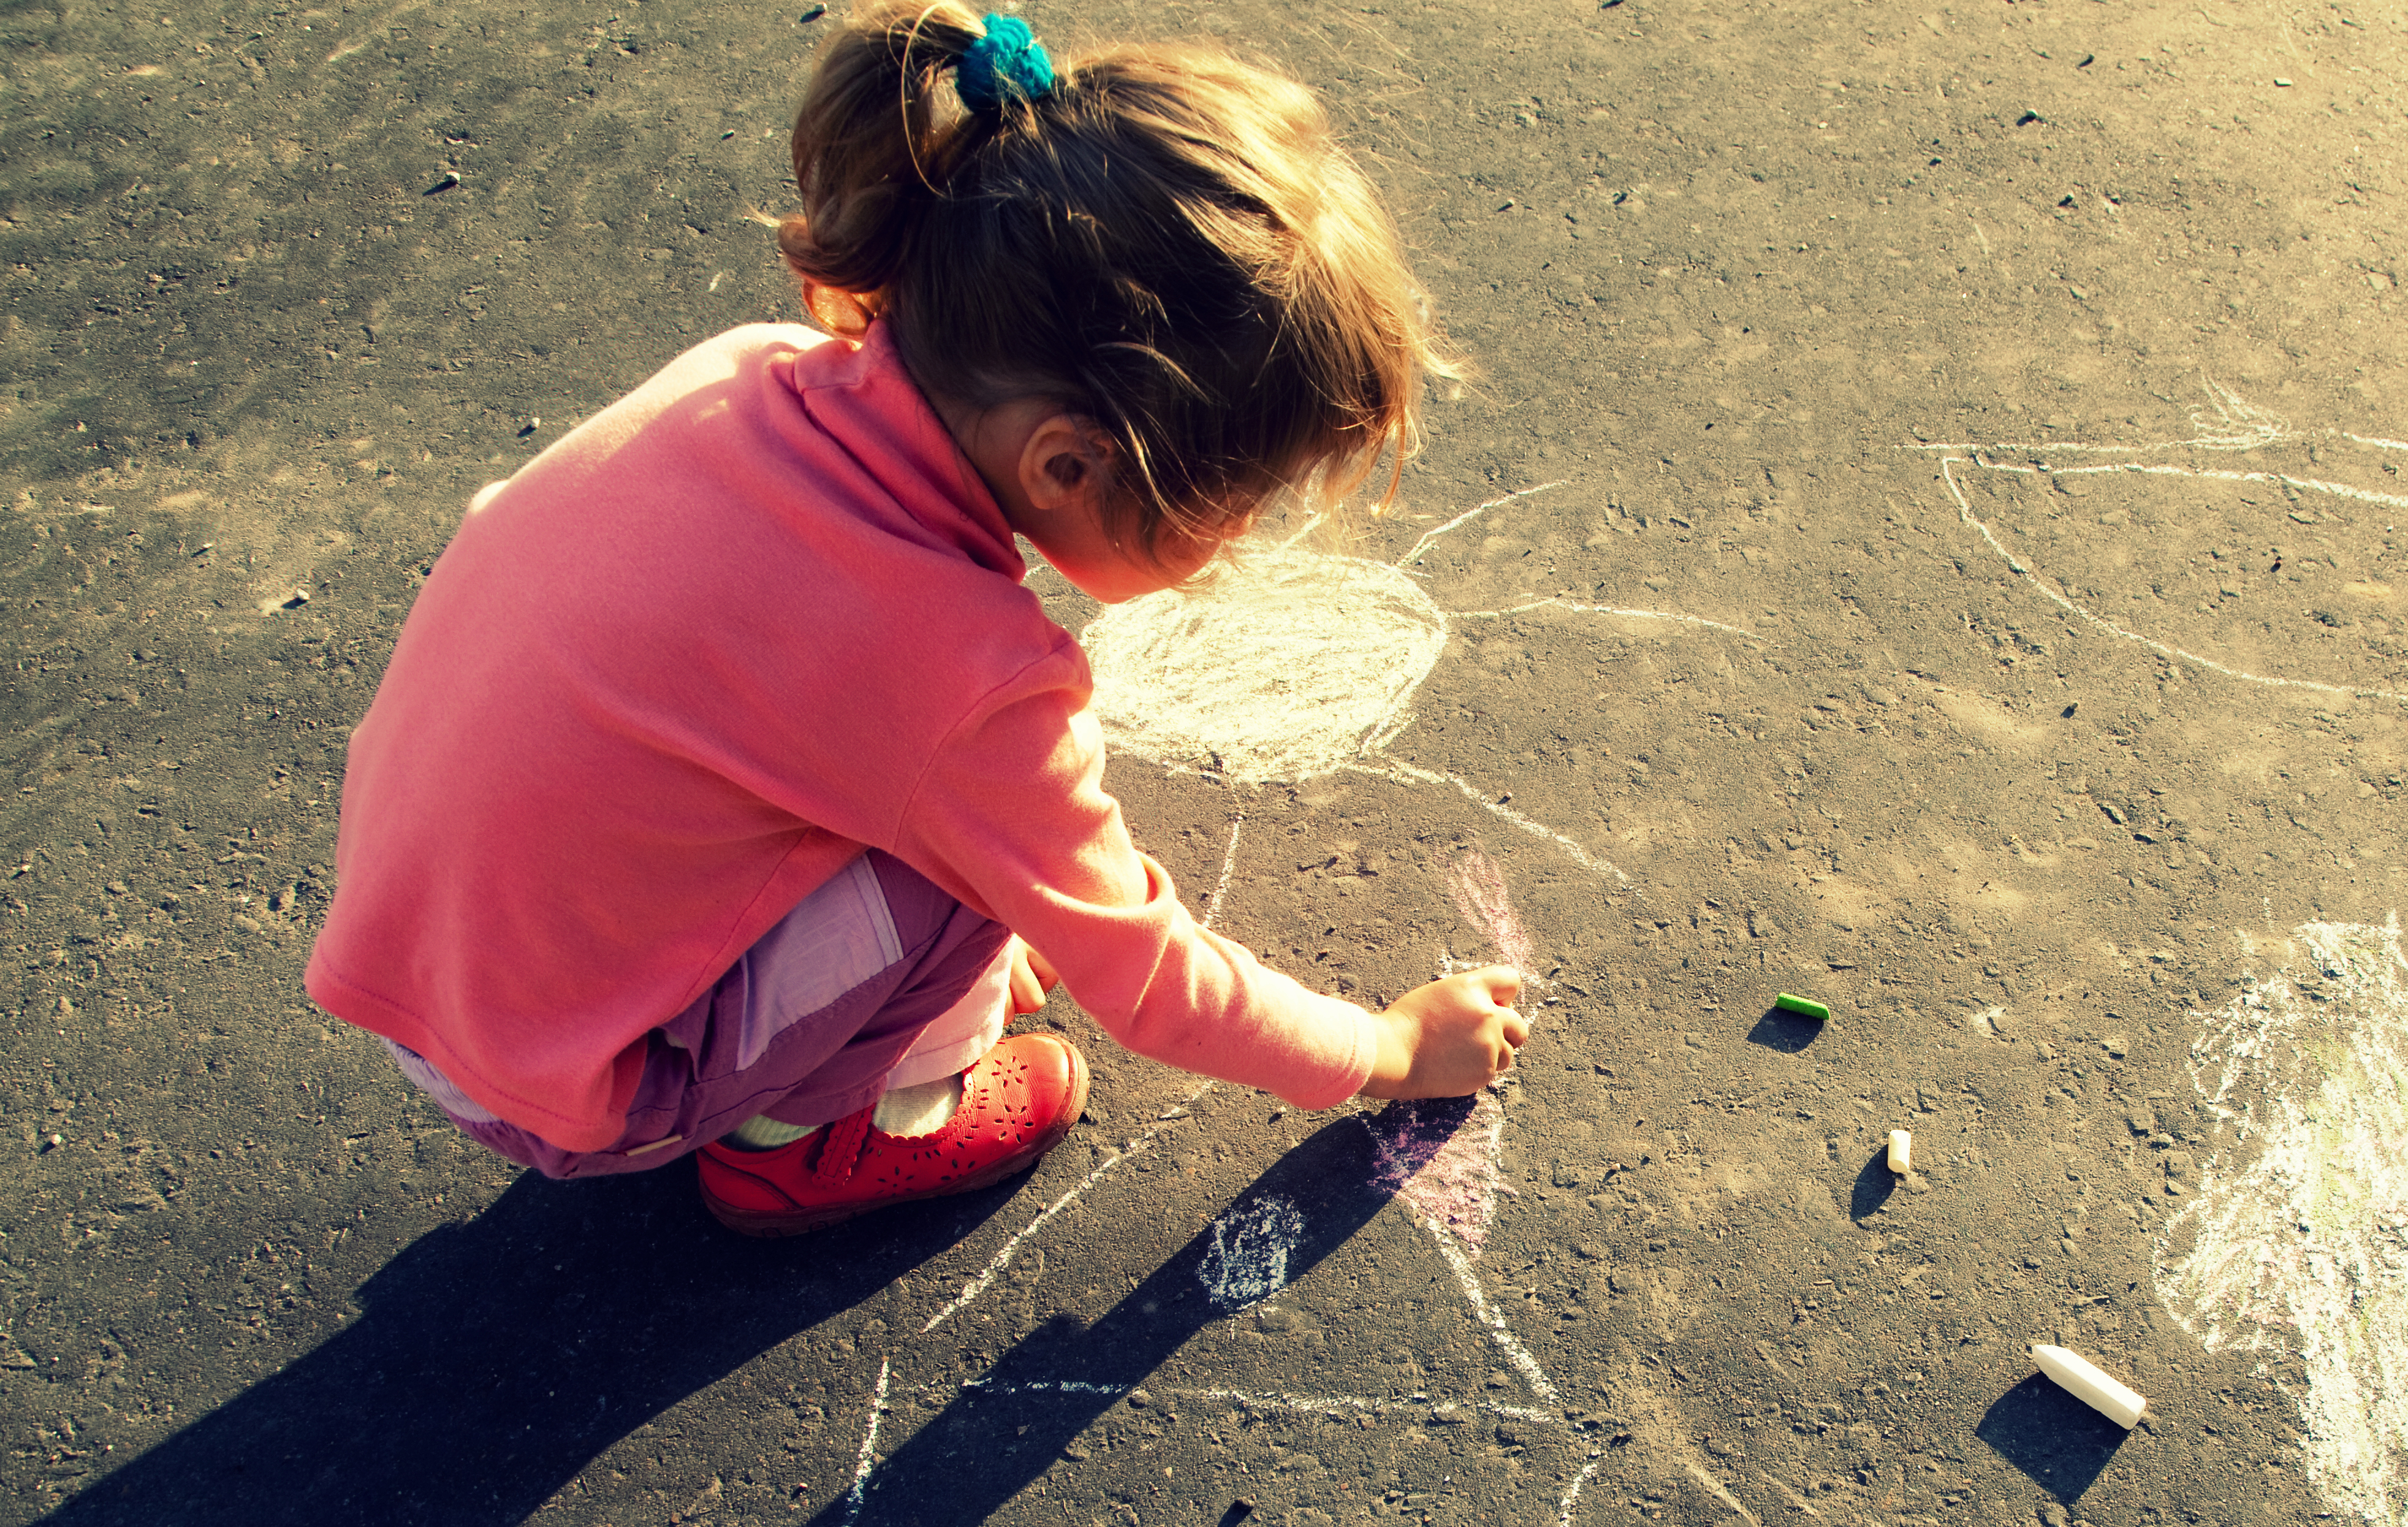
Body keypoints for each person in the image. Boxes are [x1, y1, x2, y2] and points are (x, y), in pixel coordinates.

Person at [302, 2, 1529, 1236]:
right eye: (1238, 502)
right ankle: (802, 1143)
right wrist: (1385, 1049)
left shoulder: (752, 366)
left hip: (426, 947)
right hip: (564, 1081)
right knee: (976, 874)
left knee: (946, 822)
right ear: (1066, 466)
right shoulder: (960, 677)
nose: (1239, 545)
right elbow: (1148, 976)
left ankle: (800, 1014)